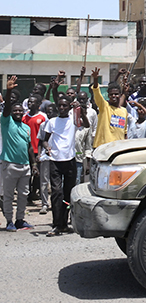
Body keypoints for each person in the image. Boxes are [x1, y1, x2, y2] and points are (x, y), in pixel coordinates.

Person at [43, 95, 89, 236]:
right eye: (60, 105)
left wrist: (80, 111)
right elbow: (44, 140)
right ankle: (56, 224)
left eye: (65, 105)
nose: (62, 108)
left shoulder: (73, 120)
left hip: (70, 161)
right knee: (57, 192)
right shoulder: (52, 122)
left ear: (69, 107)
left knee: (68, 194)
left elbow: (87, 125)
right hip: (55, 161)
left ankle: (64, 224)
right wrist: (47, 147)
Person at [1, 76, 36, 231]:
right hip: (9, 165)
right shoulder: (6, 122)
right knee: (9, 195)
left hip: (25, 166)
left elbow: (29, 147)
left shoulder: (26, 127)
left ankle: (20, 220)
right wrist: (8, 91)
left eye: (20, 110)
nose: (17, 112)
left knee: (23, 195)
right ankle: (9, 221)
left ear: (23, 112)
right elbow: (6, 108)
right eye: (15, 110)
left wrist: (34, 163)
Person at [91, 67, 128, 148]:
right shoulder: (104, 107)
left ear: (120, 95)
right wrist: (96, 79)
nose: (113, 96)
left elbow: (124, 132)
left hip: (118, 148)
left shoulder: (124, 111)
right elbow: (97, 92)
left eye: (116, 94)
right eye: (111, 94)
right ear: (108, 96)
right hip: (102, 147)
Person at [22, 93, 47, 205]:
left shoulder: (43, 117)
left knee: (38, 175)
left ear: (38, 104)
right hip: (26, 150)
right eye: (29, 102)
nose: (30, 104)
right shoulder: (24, 117)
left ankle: (34, 192)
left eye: (33, 102)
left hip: (38, 150)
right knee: (27, 175)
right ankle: (28, 197)